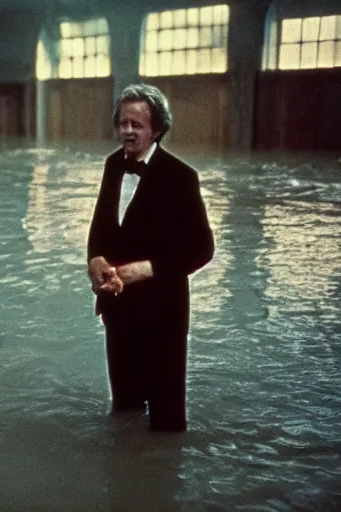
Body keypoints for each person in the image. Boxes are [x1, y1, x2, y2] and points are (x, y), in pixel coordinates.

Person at [86, 83, 214, 432]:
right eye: (123, 123)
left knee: (167, 419)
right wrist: (95, 261)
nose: (127, 131)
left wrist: (140, 270)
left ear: (156, 129)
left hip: (163, 315)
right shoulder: (113, 165)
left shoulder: (181, 177)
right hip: (117, 306)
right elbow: (100, 227)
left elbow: (202, 249)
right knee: (124, 407)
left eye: (136, 125)